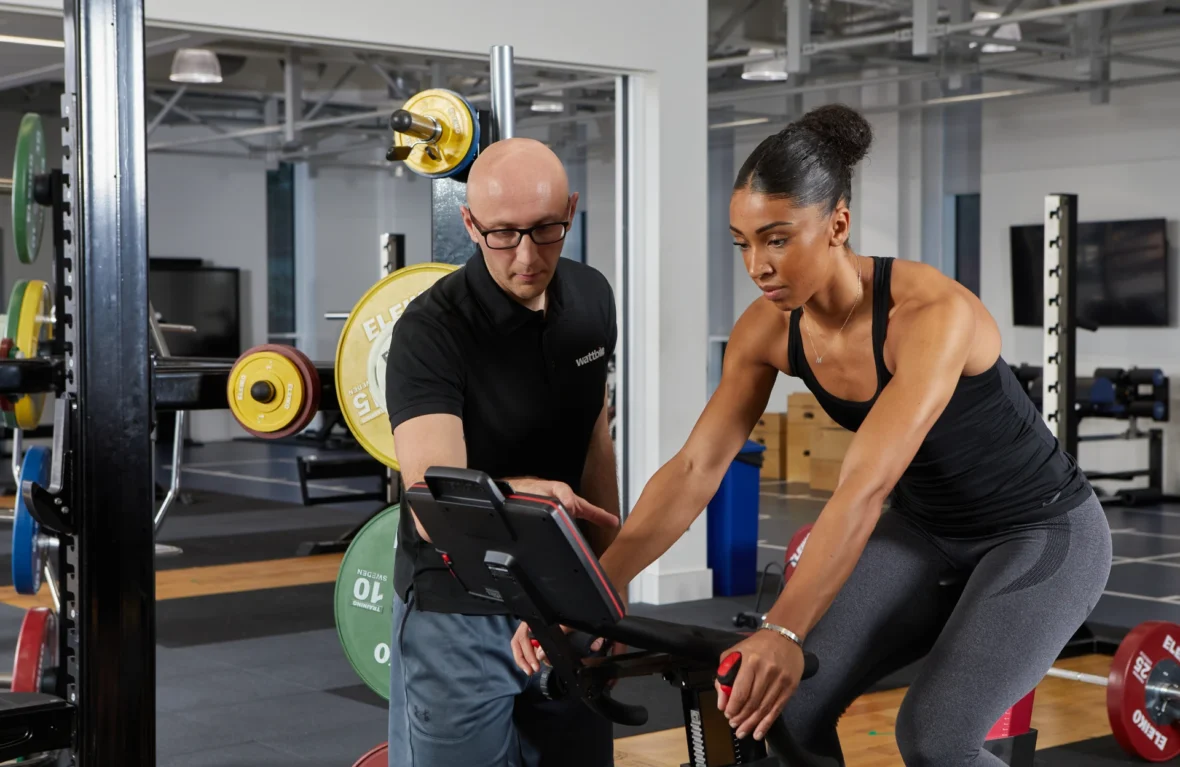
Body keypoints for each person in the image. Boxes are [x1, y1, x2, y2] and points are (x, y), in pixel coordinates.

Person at [590, 104, 1113, 766]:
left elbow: (865, 486)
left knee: (936, 739)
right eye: (742, 242)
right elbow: (697, 467)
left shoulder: (929, 314)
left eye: (777, 239)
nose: (757, 265)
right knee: (782, 709)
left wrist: (784, 627)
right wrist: (599, 586)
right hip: (928, 531)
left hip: (1041, 532)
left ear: (837, 224)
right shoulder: (766, 331)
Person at [384, 137, 621, 767]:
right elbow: (429, 499)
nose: (526, 256)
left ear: (571, 210)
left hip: (561, 599)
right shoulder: (430, 331)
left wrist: (607, 585)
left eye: (546, 231)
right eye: (502, 234)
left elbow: (596, 438)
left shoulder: (593, 298)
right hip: (459, 606)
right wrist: (527, 499)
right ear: (469, 222)